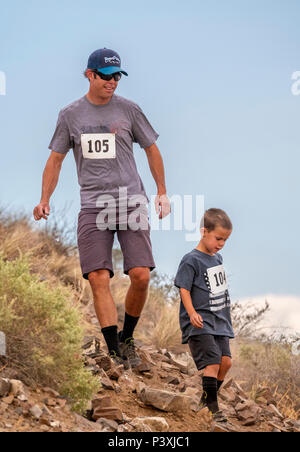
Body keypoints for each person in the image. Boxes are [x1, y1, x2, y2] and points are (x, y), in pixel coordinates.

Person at [33, 48, 171, 368]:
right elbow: (55, 160)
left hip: (131, 201)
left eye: (117, 76)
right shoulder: (70, 115)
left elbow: (152, 149)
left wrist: (162, 192)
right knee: (98, 276)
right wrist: (44, 199)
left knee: (140, 275)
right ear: (90, 75)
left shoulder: (130, 110)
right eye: (106, 76)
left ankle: (129, 338)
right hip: (93, 206)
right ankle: (113, 350)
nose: (113, 83)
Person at [174, 208, 234, 422]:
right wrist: (191, 313)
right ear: (203, 232)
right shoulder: (191, 260)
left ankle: (207, 398)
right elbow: (183, 288)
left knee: (225, 362)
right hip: (200, 321)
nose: (221, 243)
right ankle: (214, 410)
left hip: (220, 321)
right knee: (213, 363)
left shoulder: (218, 258)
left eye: (225, 240)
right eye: (218, 238)